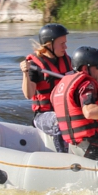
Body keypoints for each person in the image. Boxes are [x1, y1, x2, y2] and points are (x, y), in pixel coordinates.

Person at [20, 23, 72, 153]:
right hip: (43, 116)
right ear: (49, 45)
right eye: (62, 44)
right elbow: (28, 94)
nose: (65, 47)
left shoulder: (68, 61)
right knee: (60, 120)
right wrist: (25, 73)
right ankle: (63, 158)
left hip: (64, 111)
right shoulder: (34, 66)